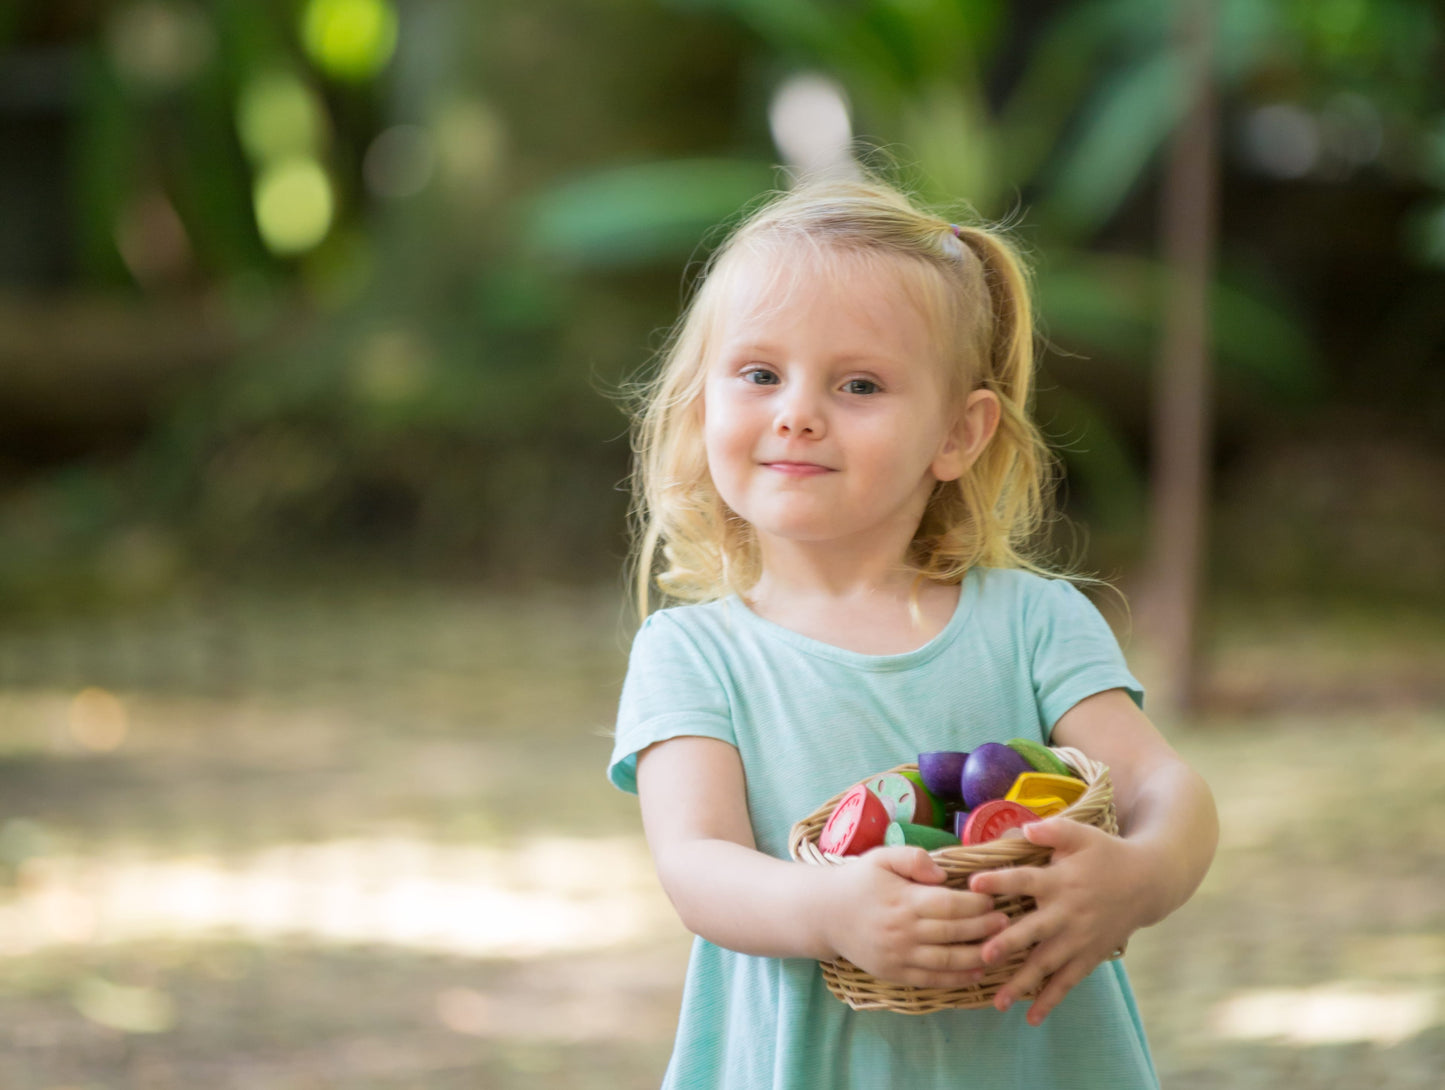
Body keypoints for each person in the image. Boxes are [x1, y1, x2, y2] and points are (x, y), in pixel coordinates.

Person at [607, 175, 1218, 1089]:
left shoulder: (1034, 623)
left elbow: (1166, 789)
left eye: (858, 384)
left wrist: (1139, 878)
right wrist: (828, 912)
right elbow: (697, 864)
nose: (796, 411)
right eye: (759, 373)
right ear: (702, 406)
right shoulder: (692, 653)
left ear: (958, 434)